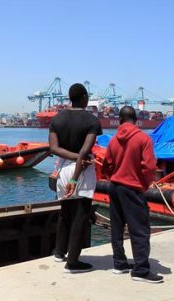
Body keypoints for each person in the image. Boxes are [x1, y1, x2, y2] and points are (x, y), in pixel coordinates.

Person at [101, 106, 161, 284]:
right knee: (140, 229)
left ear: (119, 120)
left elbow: (106, 165)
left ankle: (119, 263)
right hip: (132, 187)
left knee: (117, 227)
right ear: (136, 119)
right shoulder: (143, 139)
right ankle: (141, 269)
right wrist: (144, 185)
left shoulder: (112, 141)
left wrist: (113, 177)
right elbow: (149, 167)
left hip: (115, 186)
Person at [48, 83, 102, 273]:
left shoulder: (57, 119)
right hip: (82, 170)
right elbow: (85, 151)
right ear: (85, 97)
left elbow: (53, 149)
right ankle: (73, 262)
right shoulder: (92, 121)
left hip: (62, 168)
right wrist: (75, 176)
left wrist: (70, 158)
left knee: (65, 212)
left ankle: (59, 252)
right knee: (81, 215)